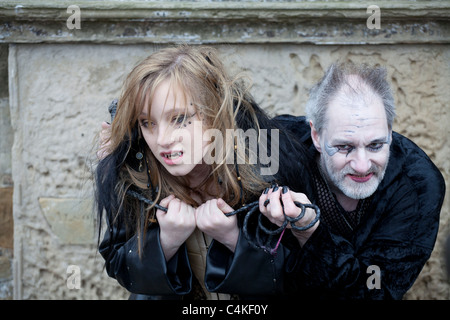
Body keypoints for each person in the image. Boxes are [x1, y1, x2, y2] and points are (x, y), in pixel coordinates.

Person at [94, 45, 317, 300]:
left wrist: (235, 239)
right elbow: (120, 265)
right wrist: (165, 242)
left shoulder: (266, 169)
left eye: (179, 119)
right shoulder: (136, 176)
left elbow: (306, 274)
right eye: (148, 123)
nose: (163, 139)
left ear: (214, 112)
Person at [262, 62, 446, 299]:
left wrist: (310, 233)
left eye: (375, 145)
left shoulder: (418, 185)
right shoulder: (277, 145)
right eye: (344, 147)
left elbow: (375, 291)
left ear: (390, 132)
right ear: (316, 136)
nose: (362, 165)